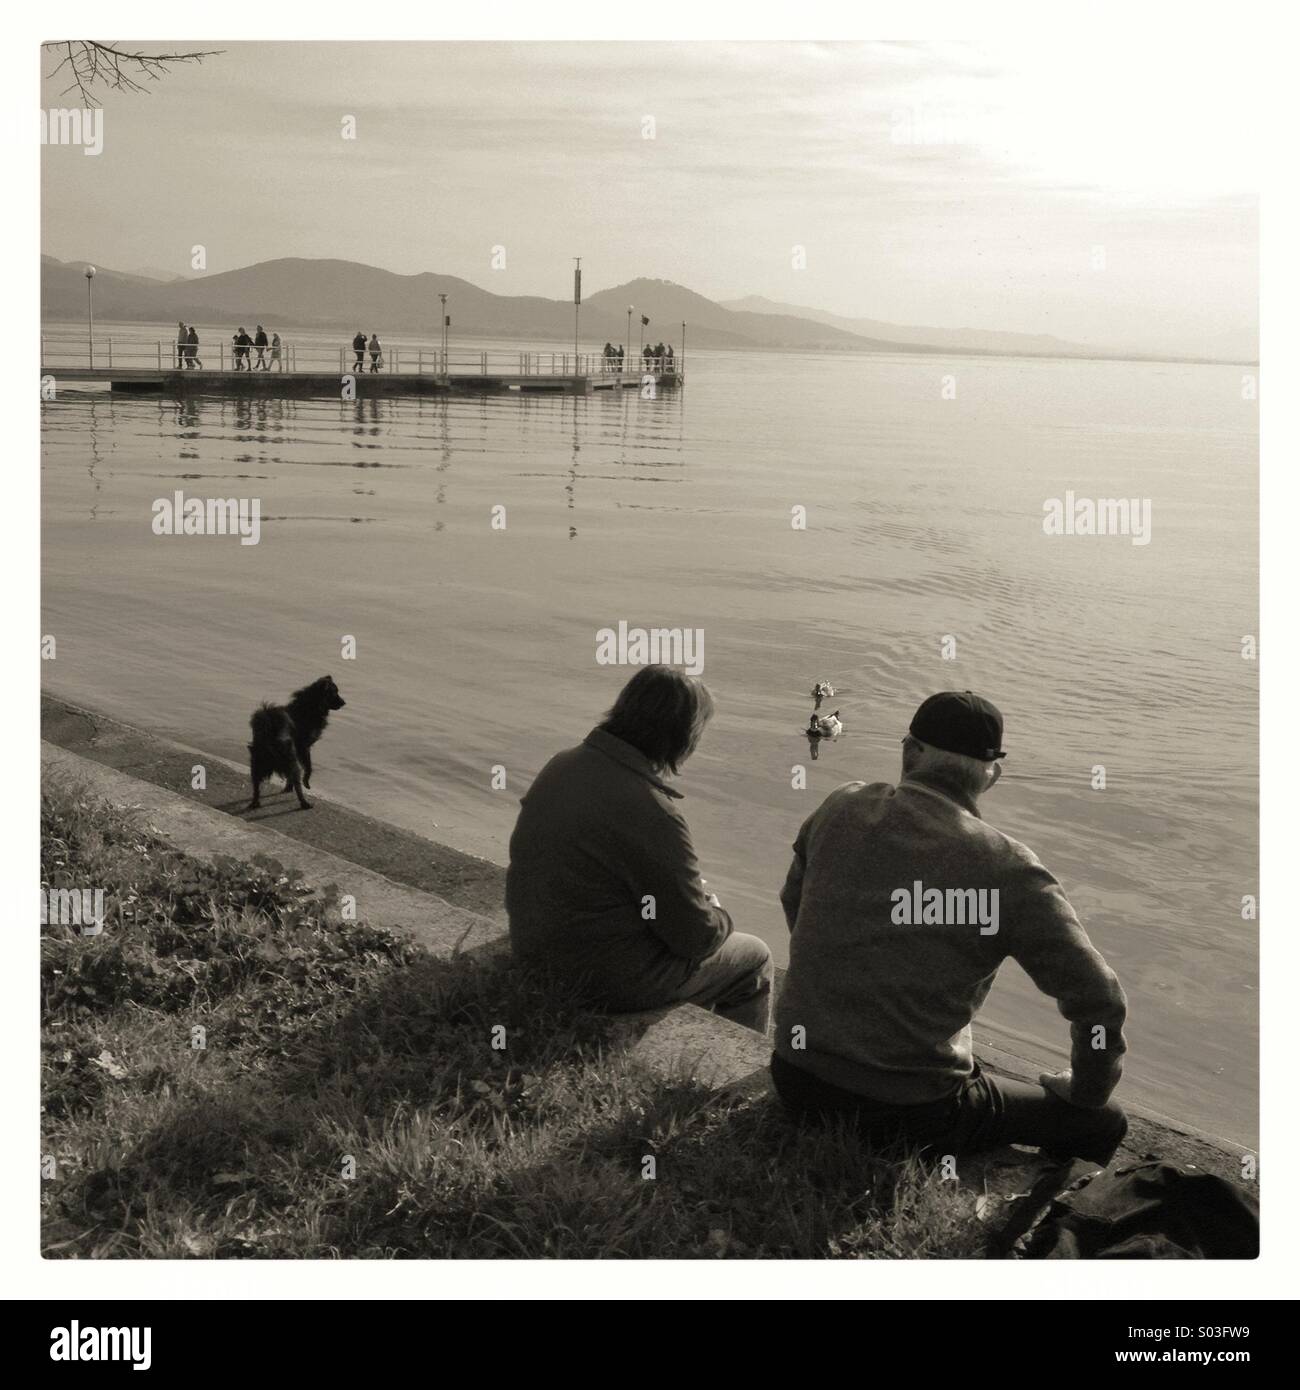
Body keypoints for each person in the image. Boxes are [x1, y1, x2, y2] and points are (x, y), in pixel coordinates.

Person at [773, 691, 1129, 1165]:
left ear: (908, 752)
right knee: (1106, 1120)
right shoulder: (1010, 869)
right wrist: (1086, 1091)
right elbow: (1099, 1001)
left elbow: (792, 899)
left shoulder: (840, 807)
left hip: (796, 1076)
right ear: (992, 776)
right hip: (909, 1112)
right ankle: (1029, 1218)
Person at [506, 665, 773, 1032]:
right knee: (754, 958)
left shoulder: (562, 764)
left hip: (533, 950)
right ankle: (726, 1077)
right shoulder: (653, 812)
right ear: (683, 736)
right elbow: (696, 938)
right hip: (601, 981)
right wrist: (717, 912)